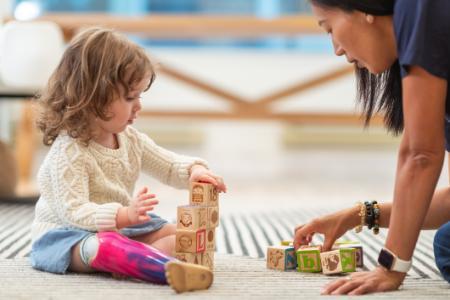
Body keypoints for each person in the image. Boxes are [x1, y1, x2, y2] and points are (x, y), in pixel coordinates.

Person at [30, 27, 227, 294]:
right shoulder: (70, 151)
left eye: (139, 96)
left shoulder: (130, 140)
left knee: (183, 235)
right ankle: (153, 266)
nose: (139, 106)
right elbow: (73, 211)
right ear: (92, 96)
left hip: (122, 226)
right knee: (99, 246)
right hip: (67, 234)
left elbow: (168, 165)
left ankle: (146, 260)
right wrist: (124, 215)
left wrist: (194, 170)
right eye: (130, 97)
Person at [294, 0, 450, 295]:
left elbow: (420, 155)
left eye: (329, 29)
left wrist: (390, 268)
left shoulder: (421, 8)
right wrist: (359, 214)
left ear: (363, 10)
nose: (337, 50)